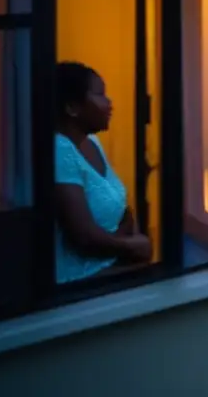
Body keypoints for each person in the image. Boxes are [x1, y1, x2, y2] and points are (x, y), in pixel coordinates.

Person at [55, 61, 152, 284]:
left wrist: (123, 236)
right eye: (100, 95)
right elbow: (83, 237)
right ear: (72, 107)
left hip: (113, 263)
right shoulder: (60, 150)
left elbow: (120, 203)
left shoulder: (92, 143)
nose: (109, 103)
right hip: (84, 281)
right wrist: (131, 245)